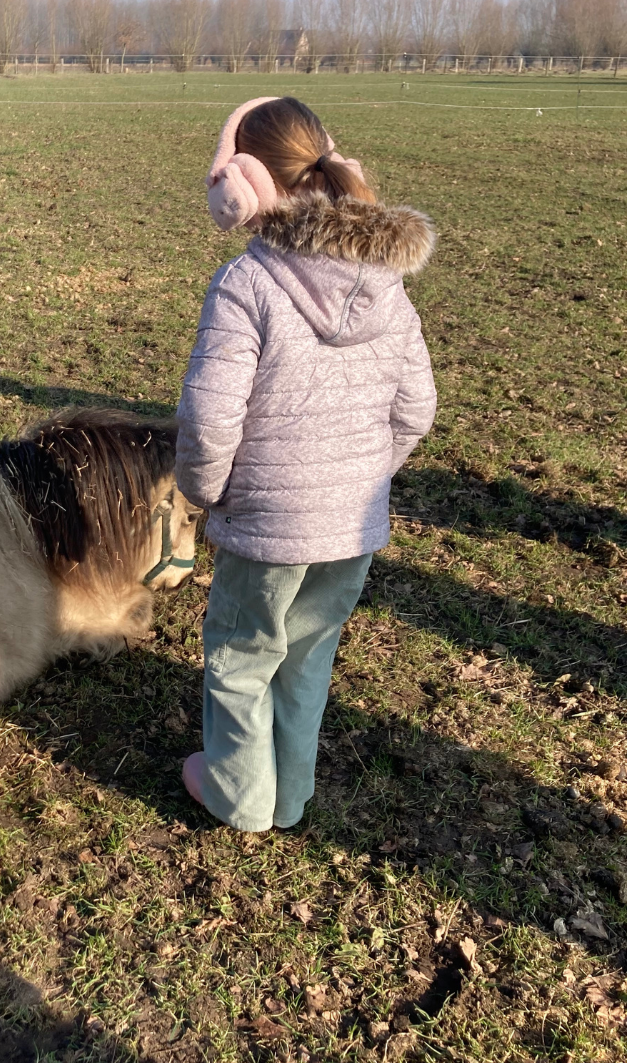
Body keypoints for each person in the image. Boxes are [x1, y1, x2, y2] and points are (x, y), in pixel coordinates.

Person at [175, 97, 437, 832]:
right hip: (351, 527)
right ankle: (289, 797)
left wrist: (207, 494)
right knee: (308, 658)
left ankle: (239, 798)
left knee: (240, 656)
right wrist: (359, 481)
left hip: (262, 527)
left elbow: (208, 420)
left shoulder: (246, 285)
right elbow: (416, 408)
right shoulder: (389, 284)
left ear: (243, 184)